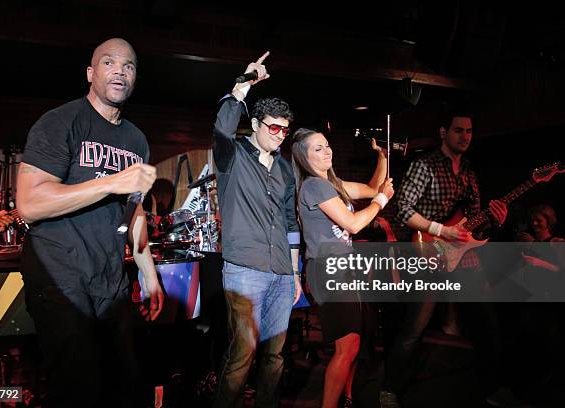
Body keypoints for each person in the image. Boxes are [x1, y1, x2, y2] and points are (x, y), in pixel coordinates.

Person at [16, 38, 163, 407]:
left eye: (128, 66)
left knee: (127, 385)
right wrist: (112, 181)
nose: (119, 70)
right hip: (60, 274)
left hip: (109, 278)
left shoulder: (136, 139)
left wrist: (149, 275)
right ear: (90, 73)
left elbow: (135, 211)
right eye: (109, 62)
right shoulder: (60, 122)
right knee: (79, 388)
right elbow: (30, 203)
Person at [380, 108, 510, 408]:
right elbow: (402, 210)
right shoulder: (425, 165)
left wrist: (495, 219)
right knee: (414, 328)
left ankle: (492, 387)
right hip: (429, 252)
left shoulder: (469, 172)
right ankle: (389, 389)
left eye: (469, 131)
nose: (465, 136)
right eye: (458, 130)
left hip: (464, 257)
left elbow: (475, 221)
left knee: (487, 322)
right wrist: (442, 231)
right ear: (443, 132)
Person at [212, 51, 302, 408]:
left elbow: (290, 222)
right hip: (244, 271)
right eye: (274, 128)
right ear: (257, 125)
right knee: (242, 356)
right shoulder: (231, 155)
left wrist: (294, 272)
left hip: (281, 270)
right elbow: (222, 125)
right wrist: (243, 84)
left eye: (285, 129)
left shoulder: (284, 170)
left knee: (275, 358)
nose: (280, 135)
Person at [291, 128, 393, 408]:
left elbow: (372, 188)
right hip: (327, 269)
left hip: (343, 267)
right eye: (318, 149)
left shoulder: (333, 184)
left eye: (327, 145)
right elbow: (354, 223)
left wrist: (382, 156)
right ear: (303, 157)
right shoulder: (313, 185)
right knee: (346, 347)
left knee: (354, 346)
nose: (327, 151)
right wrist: (381, 201)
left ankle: (345, 400)